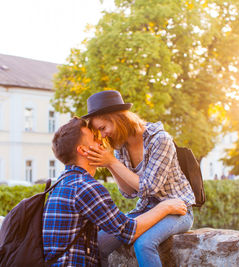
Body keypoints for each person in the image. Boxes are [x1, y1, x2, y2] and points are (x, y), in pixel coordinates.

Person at [42, 117, 188, 266]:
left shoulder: (61, 183)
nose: (101, 141)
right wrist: (165, 206)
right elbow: (129, 230)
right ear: (83, 150)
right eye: (94, 138)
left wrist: (111, 163)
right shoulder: (85, 187)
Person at [82, 90, 196, 267]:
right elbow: (129, 193)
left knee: (144, 244)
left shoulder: (159, 139)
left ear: (118, 118)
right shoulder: (121, 145)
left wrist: (112, 161)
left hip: (178, 210)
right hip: (146, 210)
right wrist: (110, 165)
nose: (102, 135)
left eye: (102, 128)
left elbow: (149, 188)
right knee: (98, 243)